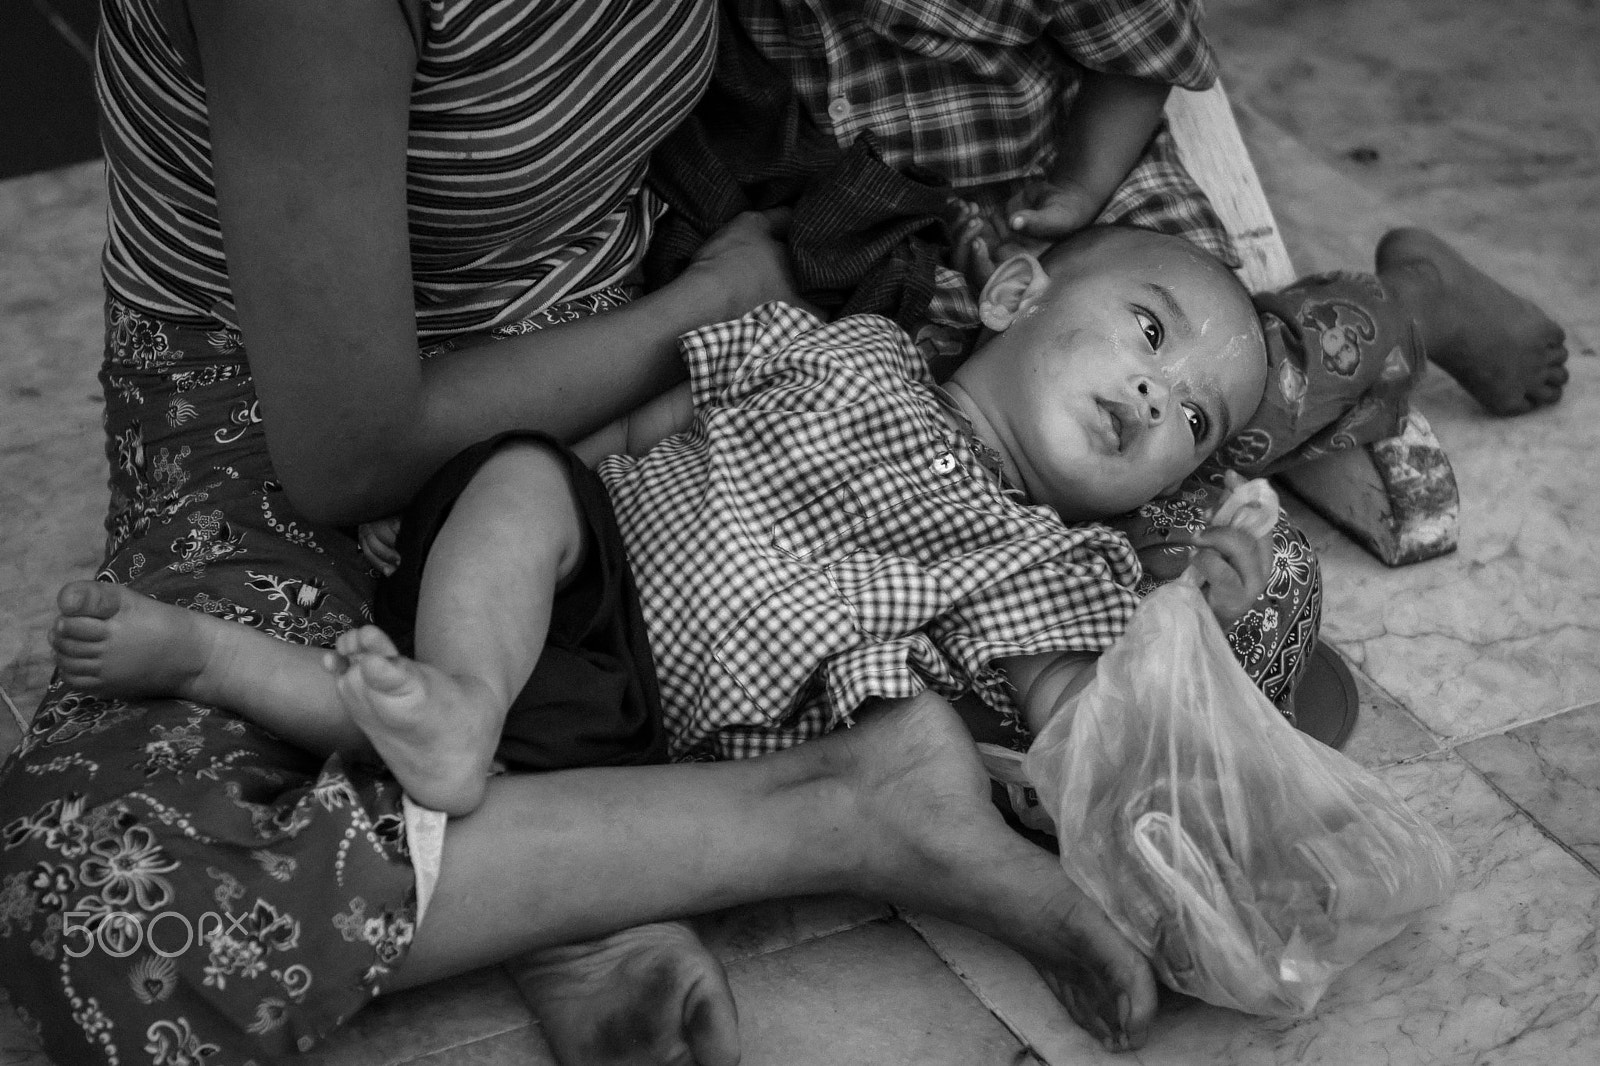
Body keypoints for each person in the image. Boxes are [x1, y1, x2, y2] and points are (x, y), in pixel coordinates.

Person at [0, 3, 1213, 1064]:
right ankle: (834, 812)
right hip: (292, 421)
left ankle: (561, 857)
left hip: (655, 343)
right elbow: (349, 456)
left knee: (1209, 613)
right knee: (115, 908)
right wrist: (708, 311)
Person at [52, 225, 1277, 811]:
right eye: (1150, 331)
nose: (1157, 393)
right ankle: (456, 704)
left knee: (407, 718)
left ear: (1170, 481)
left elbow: (1081, 730)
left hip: (641, 735)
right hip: (575, 573)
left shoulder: (1042, 560)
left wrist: (1194, 630)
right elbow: (644, 429)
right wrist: (490, 493)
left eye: (1195, 421)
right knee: (526, 482)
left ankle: (224, 661)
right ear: (1013, 290)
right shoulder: (845, 348)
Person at [732, 0, 1571, 471]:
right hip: (873, 234)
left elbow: (1141, 57)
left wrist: (1076, 188)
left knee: (1233, 401)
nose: (1151, 392)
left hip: (1071, 186)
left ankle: (1413, 306)